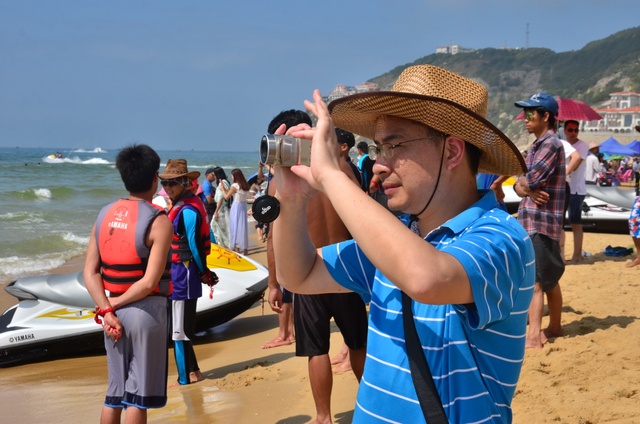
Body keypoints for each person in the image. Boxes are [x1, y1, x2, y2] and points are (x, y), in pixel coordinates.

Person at [272, 65, 534, 423]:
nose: (379, 165)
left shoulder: (501, 237)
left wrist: (331, 175)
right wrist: (290, 200)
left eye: (394, 146)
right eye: (379, 149)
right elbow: (299, 275)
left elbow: (427, 278)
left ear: (452, 152)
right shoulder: (399, 236)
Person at [83, 144, 173, 424]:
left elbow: (90, 272)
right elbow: (149, 283)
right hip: (146, 313)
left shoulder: (104, 215)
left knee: (114, 394)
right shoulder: (159, 221)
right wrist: (113, 306)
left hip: (112, 314)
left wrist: (106, 310)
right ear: (155, 178)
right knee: (137, 397)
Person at [513, 92, 566, 349]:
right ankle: (554, 326)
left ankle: (534, 335)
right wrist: (526, 188)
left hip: (540, 220)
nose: (525, 117)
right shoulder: (538, 145)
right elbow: (519, 185)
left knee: (534, 280)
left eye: (530, 113)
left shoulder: (550, 144)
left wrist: (525, 186)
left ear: (546, 116)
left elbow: (530, 180)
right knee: (549, 278)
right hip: (537, 220)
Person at [159, 159, 217, 386]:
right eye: (165, 183)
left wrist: (204, 271)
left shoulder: (188, 210)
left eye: (173, 183)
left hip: (182, 276)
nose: (168, 187)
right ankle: (194, 372)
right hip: (181, 274)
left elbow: (194, 244)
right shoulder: (182, 205)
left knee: (179, 331)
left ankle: (184, 378)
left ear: (184, 182)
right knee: (181, 326)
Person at [563, 120, 590, 262]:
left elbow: (575, 165)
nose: (573, 133)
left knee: (575, 221)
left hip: (576, 189)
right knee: (561, 222)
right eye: (570, 130)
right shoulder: (563, 144)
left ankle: (577, 254)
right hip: (565, 187)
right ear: (565, 131)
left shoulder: (582, 146)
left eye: (576, 130)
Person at [220, 168, 250, 255]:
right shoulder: (245, 185)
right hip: (243, 206)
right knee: (242, 227)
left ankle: (237, 250)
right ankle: (245, 250)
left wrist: (222, 190)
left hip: (236, 207)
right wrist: (226, 189)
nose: (231, 177)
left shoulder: (235, 185)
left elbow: (226, 197)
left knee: (235, 227)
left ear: (235, 176)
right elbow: (235, 192)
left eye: (232, 175)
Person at [211, 166, 231, 249]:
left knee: (216, 227)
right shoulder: (226, 182)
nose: (213, 177)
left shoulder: (221, 184)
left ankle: (222, 246)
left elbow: (221, 198)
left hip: (221, 209)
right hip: (225, 209)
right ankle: (227, 246)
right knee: (225, 230)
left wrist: (216, 212)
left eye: (214, 175)